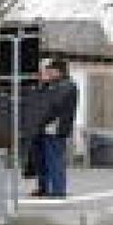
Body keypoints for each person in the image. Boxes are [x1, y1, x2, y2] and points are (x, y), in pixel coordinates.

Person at [36, 60, 78, 198]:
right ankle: (44, 188)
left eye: (50, 70)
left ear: (59, 71)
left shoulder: (66, 86)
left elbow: (53, 106)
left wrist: (41, 120)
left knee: (55, 159)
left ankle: (58, 190)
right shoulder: (55, 85)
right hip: (46, 127)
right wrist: (44, 84)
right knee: (43, 159)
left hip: (55, 127)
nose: (48, 73)